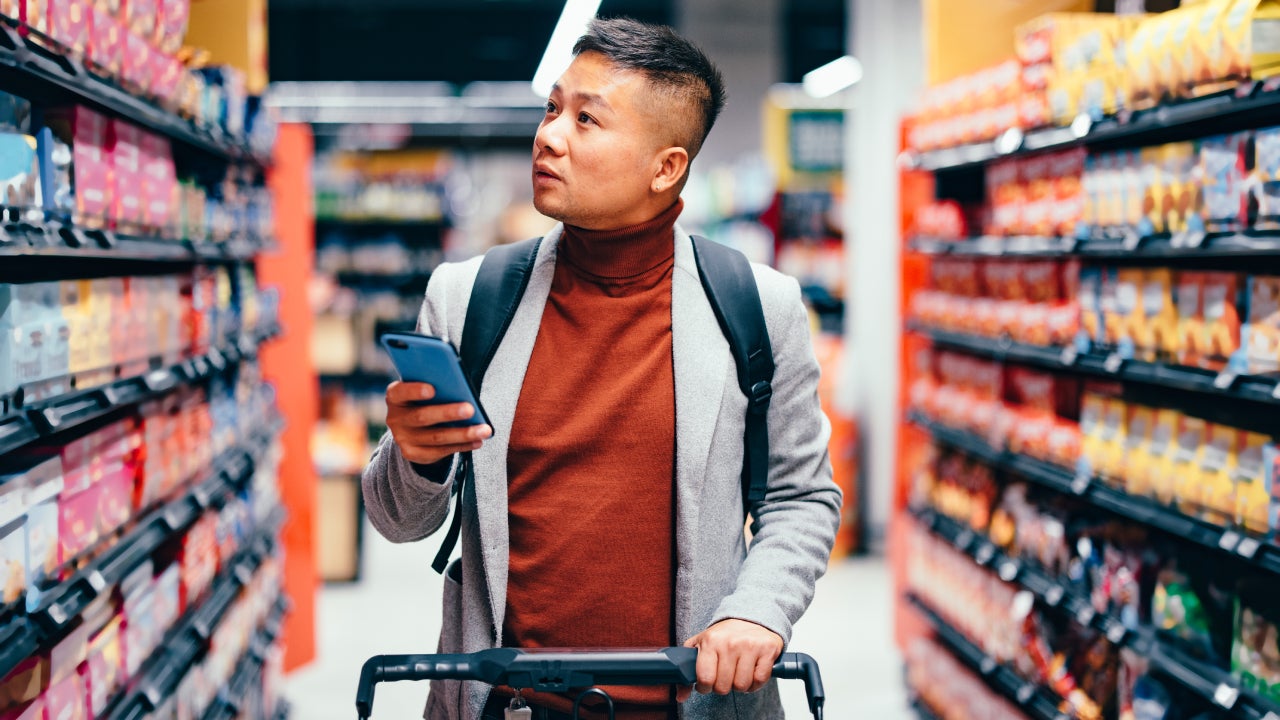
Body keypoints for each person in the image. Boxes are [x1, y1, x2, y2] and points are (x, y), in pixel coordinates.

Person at [362, 17, 842, 720]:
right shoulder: (469, 299)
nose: (549, 135)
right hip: (506, 706)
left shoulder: (756, 308)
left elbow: (801, 496)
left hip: (692, 703)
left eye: (587, 120)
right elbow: (398, 520)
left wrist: (759, 612)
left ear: (665, 167)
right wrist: (418, 457)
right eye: (553, 109)